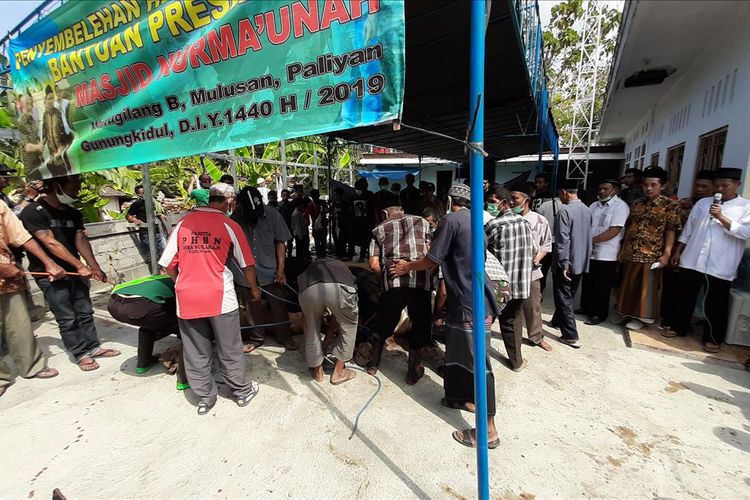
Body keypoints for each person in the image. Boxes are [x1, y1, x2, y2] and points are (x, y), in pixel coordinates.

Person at [390, 183, 502, 449]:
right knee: (457, 355)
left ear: (450, 200)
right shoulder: (476, 221)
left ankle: (489, 430)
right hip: (475, 298)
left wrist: (407, 266)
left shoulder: (450, 221)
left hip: (467, 303)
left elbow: (432, 260)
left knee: (478, 365)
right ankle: (457, 397)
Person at [159, 183, 261, 415]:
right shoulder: (229, 224)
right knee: (229, 348)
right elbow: (247, 263)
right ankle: (242, 392)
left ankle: (205, 398)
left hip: (187, 298)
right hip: (220, 298)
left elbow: (167, 264)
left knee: (196, 350)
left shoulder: (184, 223)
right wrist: (254, 289)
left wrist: (183, 283)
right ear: (229, 202)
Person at [19, 175, 119, 370]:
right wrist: (80, 266)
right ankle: (81, 352)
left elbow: (80, 239)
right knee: (66, 316)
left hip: (75, 273)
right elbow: (50, 242)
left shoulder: (72, 213)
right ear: (57, 186)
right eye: (74, 186)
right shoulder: (33, 212)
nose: (77, 191)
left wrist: (94, 266)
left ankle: (93, 346)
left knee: (85, 311)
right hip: (50, 274)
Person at [670, 168, 750, 352]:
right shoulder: (703, 203)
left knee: (716, 303)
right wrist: (678, 251)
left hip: (721, 264)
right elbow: (689, 230)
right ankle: (678, 327)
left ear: (737, 185)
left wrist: (721, 217)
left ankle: (713, 338)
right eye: (717, 185)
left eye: (725, 185)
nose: (720, 189)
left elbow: (745, 232)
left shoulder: (745, 207)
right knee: (684, 296)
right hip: (692, 258)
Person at [0, 200, 64, 398]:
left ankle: (31, 366)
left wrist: (49, 262)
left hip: (8, 277)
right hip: (4, 269)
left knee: (18, 324)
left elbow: (21, 236)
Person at [365, 199, 432, 383]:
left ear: (385, 214)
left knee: (385, 322)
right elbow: (431, 252)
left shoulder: (378, 229)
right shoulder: (422, 222)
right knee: (420, 324)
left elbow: (373, 264)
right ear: (402, 210)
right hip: (420, 281)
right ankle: (412, 372)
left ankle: (373, 365)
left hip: (393, 283)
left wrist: (383, 278)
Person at [231, 186, 296, 351]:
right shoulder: (236, 215)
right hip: (245, 271)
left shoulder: (273, 214)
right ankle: (256, 338)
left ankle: (284, 337)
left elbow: (280, 242)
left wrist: (281, 269)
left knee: (279, 305)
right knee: (252, 307)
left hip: (270, 270)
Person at [616, 167, 680, 331]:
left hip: (652, 252)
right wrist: (623, 248)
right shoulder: (637, 203)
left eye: (653, 185)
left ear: (662, 186)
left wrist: (666, 254)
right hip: (632, 250)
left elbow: (671, 231)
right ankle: (626, 313)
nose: (649, 188)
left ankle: (643, 317)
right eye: (646, 185)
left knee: (646, 287)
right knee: (628, 284)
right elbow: (630, 227)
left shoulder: (670, 205)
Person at [106, 274, 189, 389]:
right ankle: (184, 380)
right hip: (140, 305)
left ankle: (144, 362)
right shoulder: (184, 281)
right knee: (188, 330)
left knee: (149, 322)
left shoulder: (161, 278)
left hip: (113, 303)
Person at [485, 185, 536, 370]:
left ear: (504, 203)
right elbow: (534, 250)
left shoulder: (493, 225)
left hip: (500, 285)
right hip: (522, 284)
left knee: (489, 321)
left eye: (493, 202)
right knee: (512, 321)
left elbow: (481, 248)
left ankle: (481, 360)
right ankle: (517, 361)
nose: (489, 206)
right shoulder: (525, 223)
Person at [661, 170, 714, 333]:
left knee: (694, 293)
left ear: (713, 187)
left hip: (700, 256)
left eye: (704, 186)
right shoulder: (681, 204)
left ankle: (692, 320)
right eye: (697, 185)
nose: (699, 189)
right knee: (671, 286)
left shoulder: (715, 207)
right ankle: (667, 318)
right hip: (676, 251)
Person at [298, 259, 359, 384]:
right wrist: (324, 345)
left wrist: (324, 346)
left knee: (312, 327)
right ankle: (339, 373)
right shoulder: (343, 269)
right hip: (340, 288)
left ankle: (317, 371)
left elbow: (306, 324)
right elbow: (338, 319)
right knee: (349, 326)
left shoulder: (310, 267)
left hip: (309, 289)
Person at [579, 180, 629, 325]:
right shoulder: (594, 205)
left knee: (602, 285)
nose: (601, 191)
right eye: (600, 188)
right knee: (588, 281)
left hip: (607, 253)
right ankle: (585, 307)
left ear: (616, 190)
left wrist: (591, 241)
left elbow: (614, 231)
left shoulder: (620, 207)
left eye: (605, 189)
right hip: (590, 252)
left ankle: (598, 314)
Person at [510, 186, 553, 351]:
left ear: (526, 200)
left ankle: (536, 336)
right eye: (511, 199)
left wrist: (538, 257)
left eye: (516, 198)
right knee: (514, 307)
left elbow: (546, 244)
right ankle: (514, 338)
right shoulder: (507, 219)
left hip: (531, 271)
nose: (513, 202)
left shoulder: (540, 220)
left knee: (533, 305)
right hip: (511, 270)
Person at [550, 180, 592, 348]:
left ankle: (570, 335)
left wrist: (563, 263)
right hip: (581, 259)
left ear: (564, 192)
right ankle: (557, 321)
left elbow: (562, 240)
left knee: (564, 297)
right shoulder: (587, 210)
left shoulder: (564, 211)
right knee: (569, 294)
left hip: (567, 261)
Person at [127, 185, 167, 264]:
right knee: (152, 255)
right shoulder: (137, 203)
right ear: (139, 195)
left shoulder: (151, 202)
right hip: (146, 232)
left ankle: (165, 271)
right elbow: (128, 216)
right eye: (143, 193)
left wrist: (160, 215)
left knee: (164, 253)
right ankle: (157, 272)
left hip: (156, 230)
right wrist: (136, 220)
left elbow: (153, 213)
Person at [17, 94, 45, 177]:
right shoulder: (20, 122)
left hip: (38, 162)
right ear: (22, 105)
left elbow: (36, 138)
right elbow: (27, 147)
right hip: (30, 167)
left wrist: (40, 145)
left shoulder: (32, 120)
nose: (30, 107)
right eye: (27, 104)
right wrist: (39, 147)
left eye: (31, 104)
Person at [350, 178, 374, 262]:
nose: (359, 191)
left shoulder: (370, 195)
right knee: (354, 237)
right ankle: (351, 254)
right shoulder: (352, 196)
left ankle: (362, 255)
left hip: (366, 221)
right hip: (355, 220)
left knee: (365, 239)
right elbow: (350, 208)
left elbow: (372, 208)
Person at [42, 86, 66, 157]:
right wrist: (41, 145)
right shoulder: (45, 115)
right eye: (49, 99)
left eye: (52, 98)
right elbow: (44, 133)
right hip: (51, 150)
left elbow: (63, 131)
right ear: (46, 100)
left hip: (61, 149)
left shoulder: (58, 113)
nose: (51, 101)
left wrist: (62, 146)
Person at [330, 187, 351, 259]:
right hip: (335, 225)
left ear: (340, 195)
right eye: (334, 195)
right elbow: (331, 213)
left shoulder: (344, 203)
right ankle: (338, 254)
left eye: (336, 195)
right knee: (336, 239)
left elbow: (347, 214)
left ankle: (343, 254)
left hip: (343, 225)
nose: (335, 196)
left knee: (343, 240)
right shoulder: (333, 203)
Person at [291, 197, 312, 261]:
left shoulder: (298, 213)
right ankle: (300, 262)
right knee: (300, 250)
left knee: (300, 250)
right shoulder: (296, 213)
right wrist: (300, 236)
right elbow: (297, 226)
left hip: (300, 234)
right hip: (299, 234)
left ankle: (300, 261)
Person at [309, 189, 328, 258]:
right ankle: (319, 255)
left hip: (322, 224)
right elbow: (311, 215)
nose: (314, 198)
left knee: (322, 241)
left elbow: (326, 211)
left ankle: (322, 255)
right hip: (317, 225)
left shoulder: (323, 203)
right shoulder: (311, 204)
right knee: (318, 241)